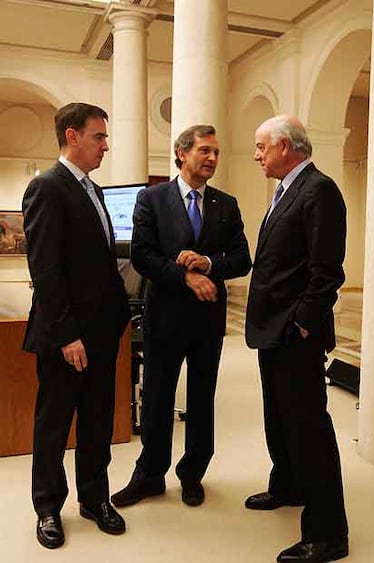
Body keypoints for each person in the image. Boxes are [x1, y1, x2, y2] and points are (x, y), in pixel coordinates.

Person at [112, 124, 251, 508]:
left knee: (202, 399)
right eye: (205, 150)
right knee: (157, 397)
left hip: (208, 320)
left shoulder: (227, 204)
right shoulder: (151, 199)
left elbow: (242, 258)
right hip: (165, 318)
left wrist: (208, 263)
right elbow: (141, 255)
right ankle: (150, 476)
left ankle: (193, 474)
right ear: (181, 152)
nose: (212, 158)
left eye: (217, 153)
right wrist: (186, 277)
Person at [22, 102, 131, 549]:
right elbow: (45, 270)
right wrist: (67, 334)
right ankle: (48, 508)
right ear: (72, 136)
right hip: (66, 336)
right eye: (98, 137)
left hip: (102, 333)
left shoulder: (95, 191)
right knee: (54, 424)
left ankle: (94, 497)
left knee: (98, 420)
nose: (105, 145)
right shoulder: (48, 187)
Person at [245, 115, 349, 563]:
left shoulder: (319, 189)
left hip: (294, 334)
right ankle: (288, 484)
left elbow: (326, 270)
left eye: (261, 147)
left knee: (308, 428)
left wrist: (302, 323)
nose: (257, 155)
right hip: (273, 331)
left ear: (286, 146)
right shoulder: (287, 189)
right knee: (278, 417)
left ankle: (327, 535)